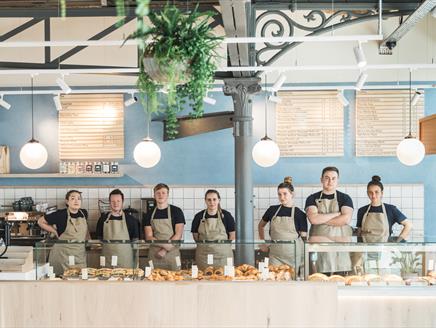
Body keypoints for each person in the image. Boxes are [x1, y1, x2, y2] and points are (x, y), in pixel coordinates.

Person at [305, 167, 354, 274]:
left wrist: (321, 218)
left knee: (340, 283)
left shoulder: (345, 198)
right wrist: (336, 214)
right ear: (321, 179)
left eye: (333, 178)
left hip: (339, 249)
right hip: (319, 249)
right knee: (319, 283)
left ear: (338, 180)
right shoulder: (312, 198)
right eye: (327, 178)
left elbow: (346, 219)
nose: (330, 181)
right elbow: (313, 219)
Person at [258, 177, 307, 270]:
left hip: (293, 257)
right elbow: (260, 225)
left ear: (292, 194)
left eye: (285, 194)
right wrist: (262, 242)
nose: (282, 197)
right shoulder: (272, 210)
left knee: (291, 282)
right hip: (275, 256)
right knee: (274, 280)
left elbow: (304, 238)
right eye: (279, 194)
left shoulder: (300, 214)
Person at [37, 190, 89, 276]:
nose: (76, 201)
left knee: (80, 281)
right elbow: (40, 221)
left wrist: (89, 242)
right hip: (62, 257)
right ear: (67, 201)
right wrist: (54, 231)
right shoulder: (61, 214)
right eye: (73, 198)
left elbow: (86, 232)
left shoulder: (84, 213)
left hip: (79, 256)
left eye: (79, 199)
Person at [357, 176, 412, 243]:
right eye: (370, 192)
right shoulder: (361, 211)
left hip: (385, 250)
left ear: (382, 193)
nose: (373, 195)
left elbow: (408, 225)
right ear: (367, 193)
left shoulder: (391, 209)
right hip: (366, 249)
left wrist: (398, 242)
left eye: (376, 192)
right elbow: (359, 233)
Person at [143, 183, 185, 270]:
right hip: (155, 254)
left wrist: (164, 250)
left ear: (168, 195)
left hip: (172, 254)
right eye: (158, 193)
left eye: (163, 193)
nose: (160, 195)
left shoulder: (176, 211)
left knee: (175, 280)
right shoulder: (149, 214)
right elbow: (149, 236)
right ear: (154, 195)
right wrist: (165, 245)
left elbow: (178, 235)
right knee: (153, 280)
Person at [191, 189, 236, 270]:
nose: (212, 202)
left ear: (219, 200)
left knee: (224, 278)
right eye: (209, 200)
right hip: (203, 255)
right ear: (205, 201)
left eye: (214, 199)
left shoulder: (226, 215)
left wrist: (222, 247)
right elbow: (195, 236)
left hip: (223, 255)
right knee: (203, 278)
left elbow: (232, 235)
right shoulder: (199, 216)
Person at [96, 189, 140, 268]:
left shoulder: (131, 220)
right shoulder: (103, 219)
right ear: (109, 203)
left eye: (118, 201)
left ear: (122, 202)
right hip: (107, 260)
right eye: (113, 201)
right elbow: (99, 238)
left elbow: (135, 241)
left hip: (125, 261)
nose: (115, 203)